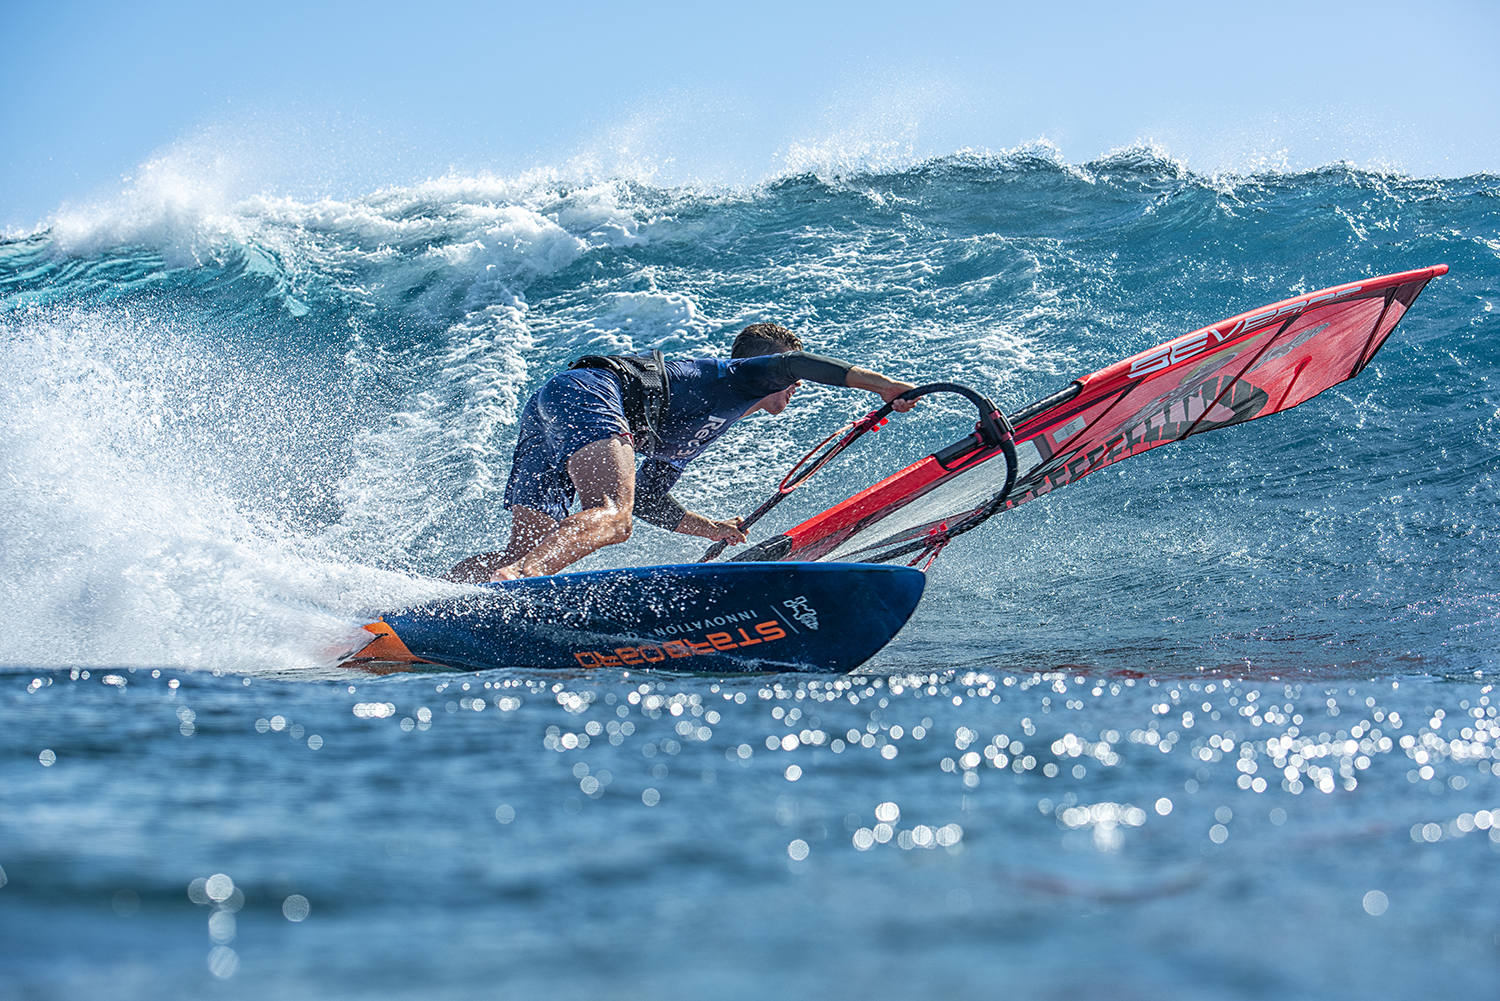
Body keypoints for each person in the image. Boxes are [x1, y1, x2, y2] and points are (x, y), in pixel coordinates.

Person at [443, 323, 917, 582]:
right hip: (595, 391)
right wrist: (884, 386)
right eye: (785, 378)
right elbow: (798, 363)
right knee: (610, 516)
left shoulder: (706, 419)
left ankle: (440, 595)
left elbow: (648, 498)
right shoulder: (739, 375)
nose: (793, 386)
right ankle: (516, 582)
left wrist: (712, 529)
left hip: (555, 403)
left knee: (529, 544)